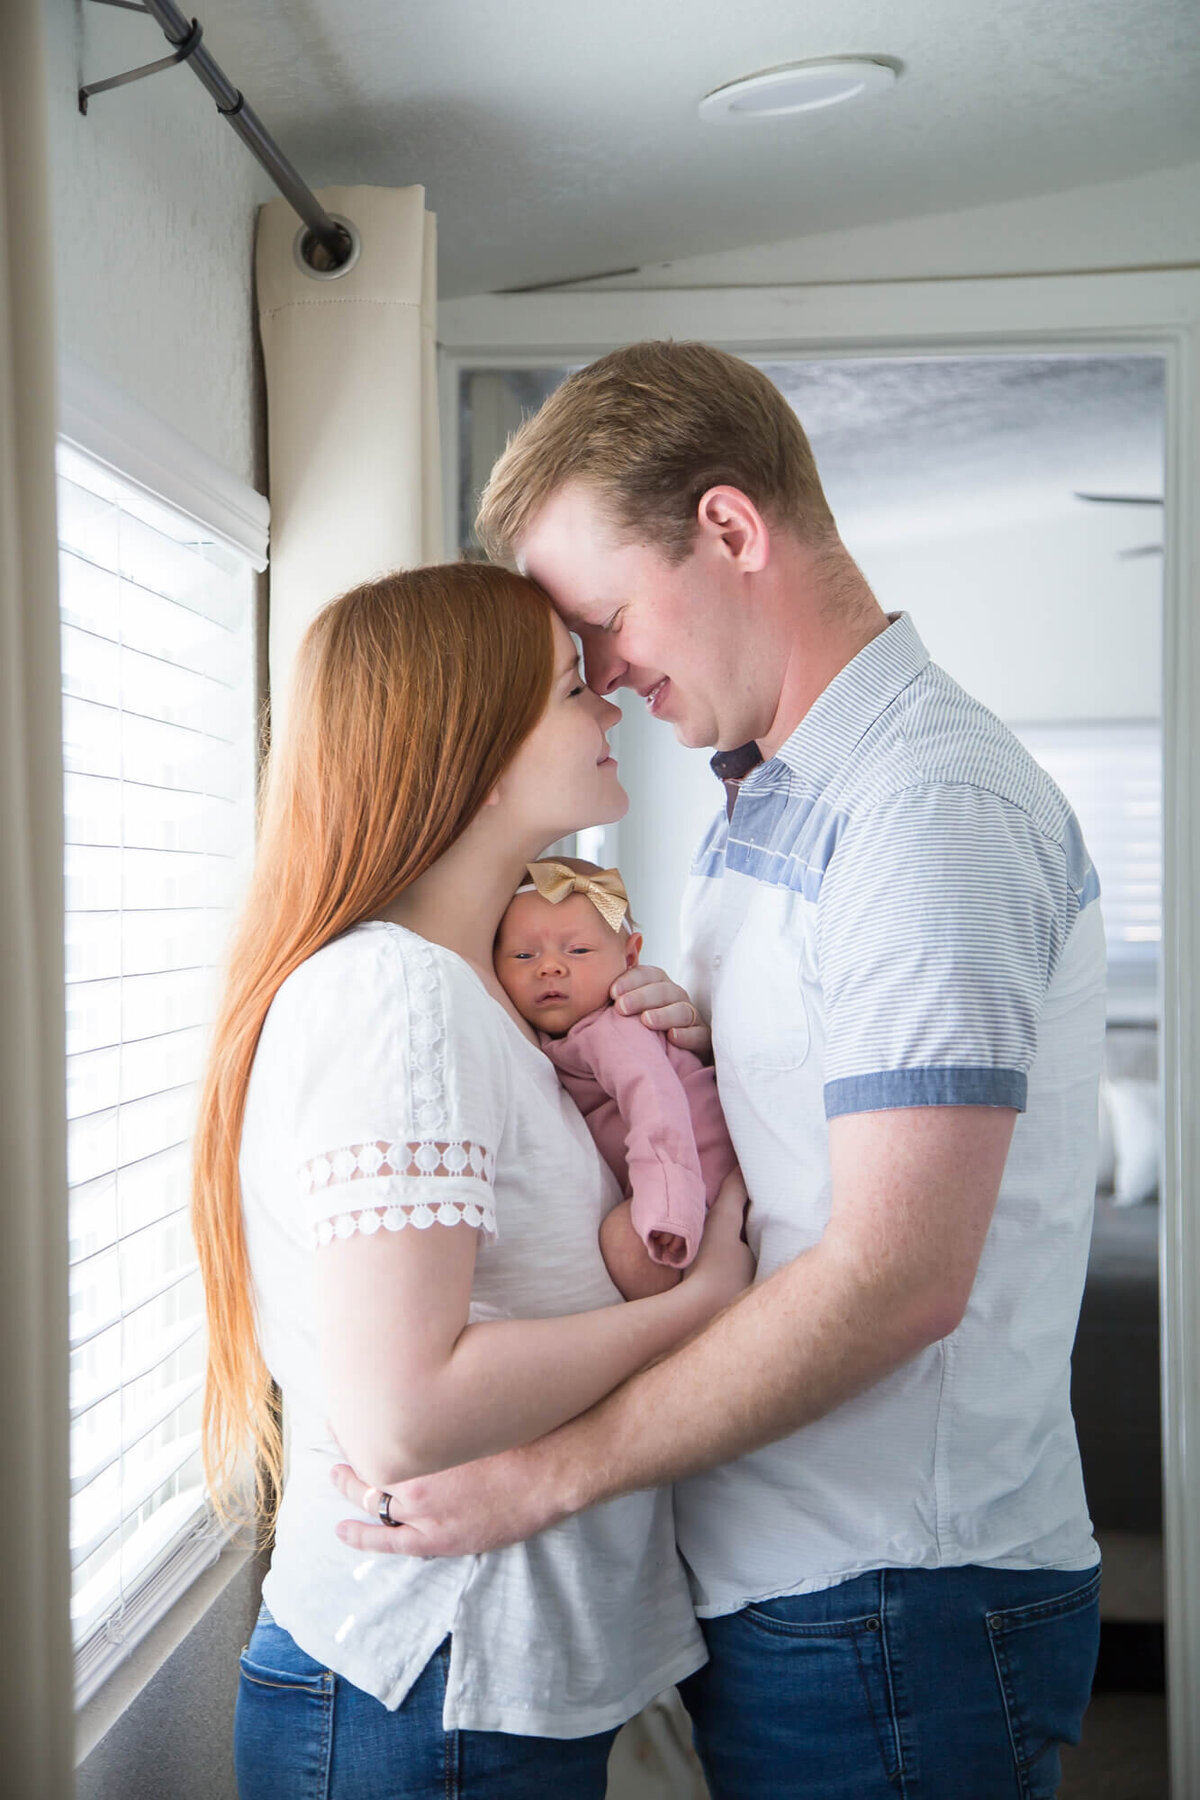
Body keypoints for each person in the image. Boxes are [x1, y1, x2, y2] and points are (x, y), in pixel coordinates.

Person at [332, 342, 1107, 1800]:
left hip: (892, 1589)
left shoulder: (921, 808)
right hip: (804, 1579)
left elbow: (894, 1277)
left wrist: (544, 1475)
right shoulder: (775, 809)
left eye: (607, 618)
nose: (606, 675)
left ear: (732, 531)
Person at [189, 561, 753, 1799]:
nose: (609, 702)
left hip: (472, 1685)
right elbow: (408, 1414)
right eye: (569, 687)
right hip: (431, 1689)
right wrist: (692, 1314)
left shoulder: (473, 1002)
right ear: (474, 746)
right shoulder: (400, 997)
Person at [495, 856, 738, 1297]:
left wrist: (669, 1208)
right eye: (524, 955)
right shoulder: (561, 1035)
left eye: (578, 950)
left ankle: (680, 1339)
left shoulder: (614, 1028)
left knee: (625, 1245)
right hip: (683, 1179)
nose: (549, 967)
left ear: (630, 957)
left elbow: (657, 1106)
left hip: (694, 1178)